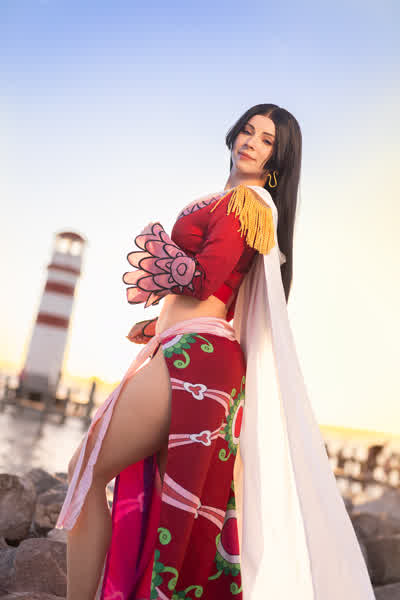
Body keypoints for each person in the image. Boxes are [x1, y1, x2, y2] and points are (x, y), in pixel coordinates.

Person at [56, 104, 375, 600]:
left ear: (278, 160)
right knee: (148, 498)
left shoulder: (250, 203)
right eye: (248, 130)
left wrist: (162, 268)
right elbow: (220, 287)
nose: (251, 142)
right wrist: (159, 320)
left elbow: (206, 279)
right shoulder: (231, 201)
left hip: (196, 357)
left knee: (86, 470)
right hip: (190, 351)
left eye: (267, 140)